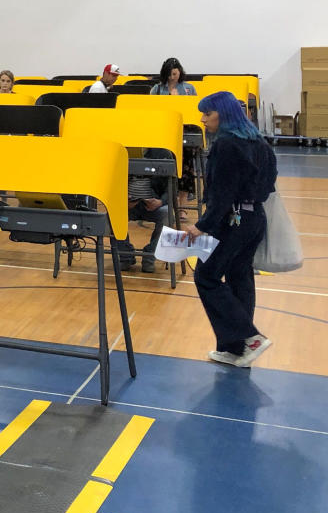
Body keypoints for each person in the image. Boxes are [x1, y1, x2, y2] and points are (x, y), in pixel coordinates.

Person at [183, 91, 277, 368]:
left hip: (231, 220)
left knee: (207, 276)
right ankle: (235, 350)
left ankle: (249, 337)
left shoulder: (225, 145)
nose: (202, 120)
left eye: (207, 114)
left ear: (222, 115)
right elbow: (269, 184)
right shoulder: (260, 143)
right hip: (254, 218)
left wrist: (202, 226)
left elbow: (222, 193)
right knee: (239, 277)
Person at [150, 57, 198, 220]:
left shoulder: (188, 89)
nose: (173, 77)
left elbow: (195, 111)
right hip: (163, 133)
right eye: (170, 74)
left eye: (175, 74)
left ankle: (182, 206)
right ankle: (164, 202)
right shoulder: (157, 89)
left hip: (184, 133)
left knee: (185, 167)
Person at [117, 175, 170, 273]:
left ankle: (149, 256)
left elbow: (171, 189)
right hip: (127, 204)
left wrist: (160, 202)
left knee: (167, 215)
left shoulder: (161, 159)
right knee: (112, 214)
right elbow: (112, 186)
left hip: (155, 204)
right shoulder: (119, 161)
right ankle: (125, 256)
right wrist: (122, 199)